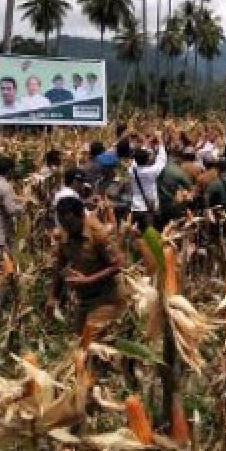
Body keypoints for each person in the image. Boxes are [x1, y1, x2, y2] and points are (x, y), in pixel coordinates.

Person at [49, 195, 124, 335]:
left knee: (90, 343)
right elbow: (59, 265)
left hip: (106, 297)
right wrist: (53, 297)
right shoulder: (64, 233)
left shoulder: (98, 233)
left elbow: (118, 264)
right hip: (84, 299)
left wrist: (88, 280)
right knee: (78, 343)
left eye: (71, 224)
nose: (68, 229)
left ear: (82, 216)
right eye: (63, 223)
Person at [128, 137, 167, 230]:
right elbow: (162, 159)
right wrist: (161, 142)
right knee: (151, 240)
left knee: (136, 239)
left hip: (136, 209)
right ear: (147, 160)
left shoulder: (131, 171)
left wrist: (146, 144)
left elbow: (135, 159)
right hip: (148, 212)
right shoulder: (151, 172)